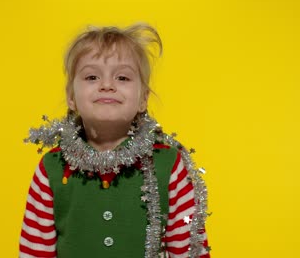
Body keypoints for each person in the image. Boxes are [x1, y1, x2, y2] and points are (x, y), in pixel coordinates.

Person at [19, 23, 211, 258]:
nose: (107, 85)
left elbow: (190, 249)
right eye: (92, 76)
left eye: (122, 77)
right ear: (71, 97)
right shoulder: (52, 168)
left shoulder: (168, 164)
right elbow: (34, 251)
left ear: (143, 99)